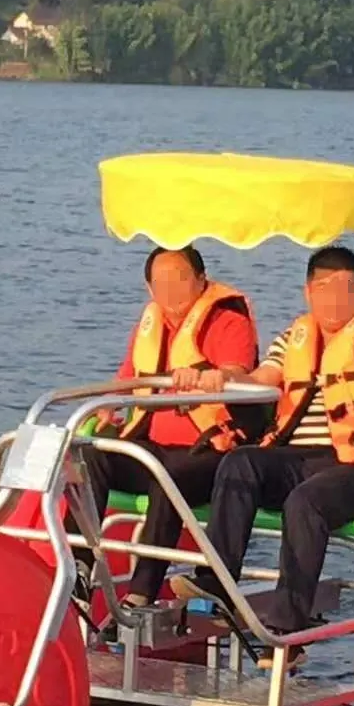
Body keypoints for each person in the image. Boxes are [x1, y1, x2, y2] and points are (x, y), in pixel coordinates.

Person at [170, 245, 354, 669]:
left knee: (306, 500)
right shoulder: (295, 337)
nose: (335, 300)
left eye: (347, 290)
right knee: (241, 462)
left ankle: (289, 635)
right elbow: (256, 380)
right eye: (325, 290)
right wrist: (219, 377)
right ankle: (216, 585)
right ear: (309, 292)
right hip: (299, 458)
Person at [65, 244, 259, 619]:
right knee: (91, 455)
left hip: (209, 452)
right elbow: (127, 380)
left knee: (169, 476)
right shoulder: (149, 325)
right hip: (150, 444)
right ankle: (79, 570)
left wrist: (217, 377)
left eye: (180, 278)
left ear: (201, 280)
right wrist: (108, 405)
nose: (170, 288)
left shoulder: (228, 321)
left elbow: (239, 371)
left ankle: (141, 593)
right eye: (161, 281)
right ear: (149, 288)